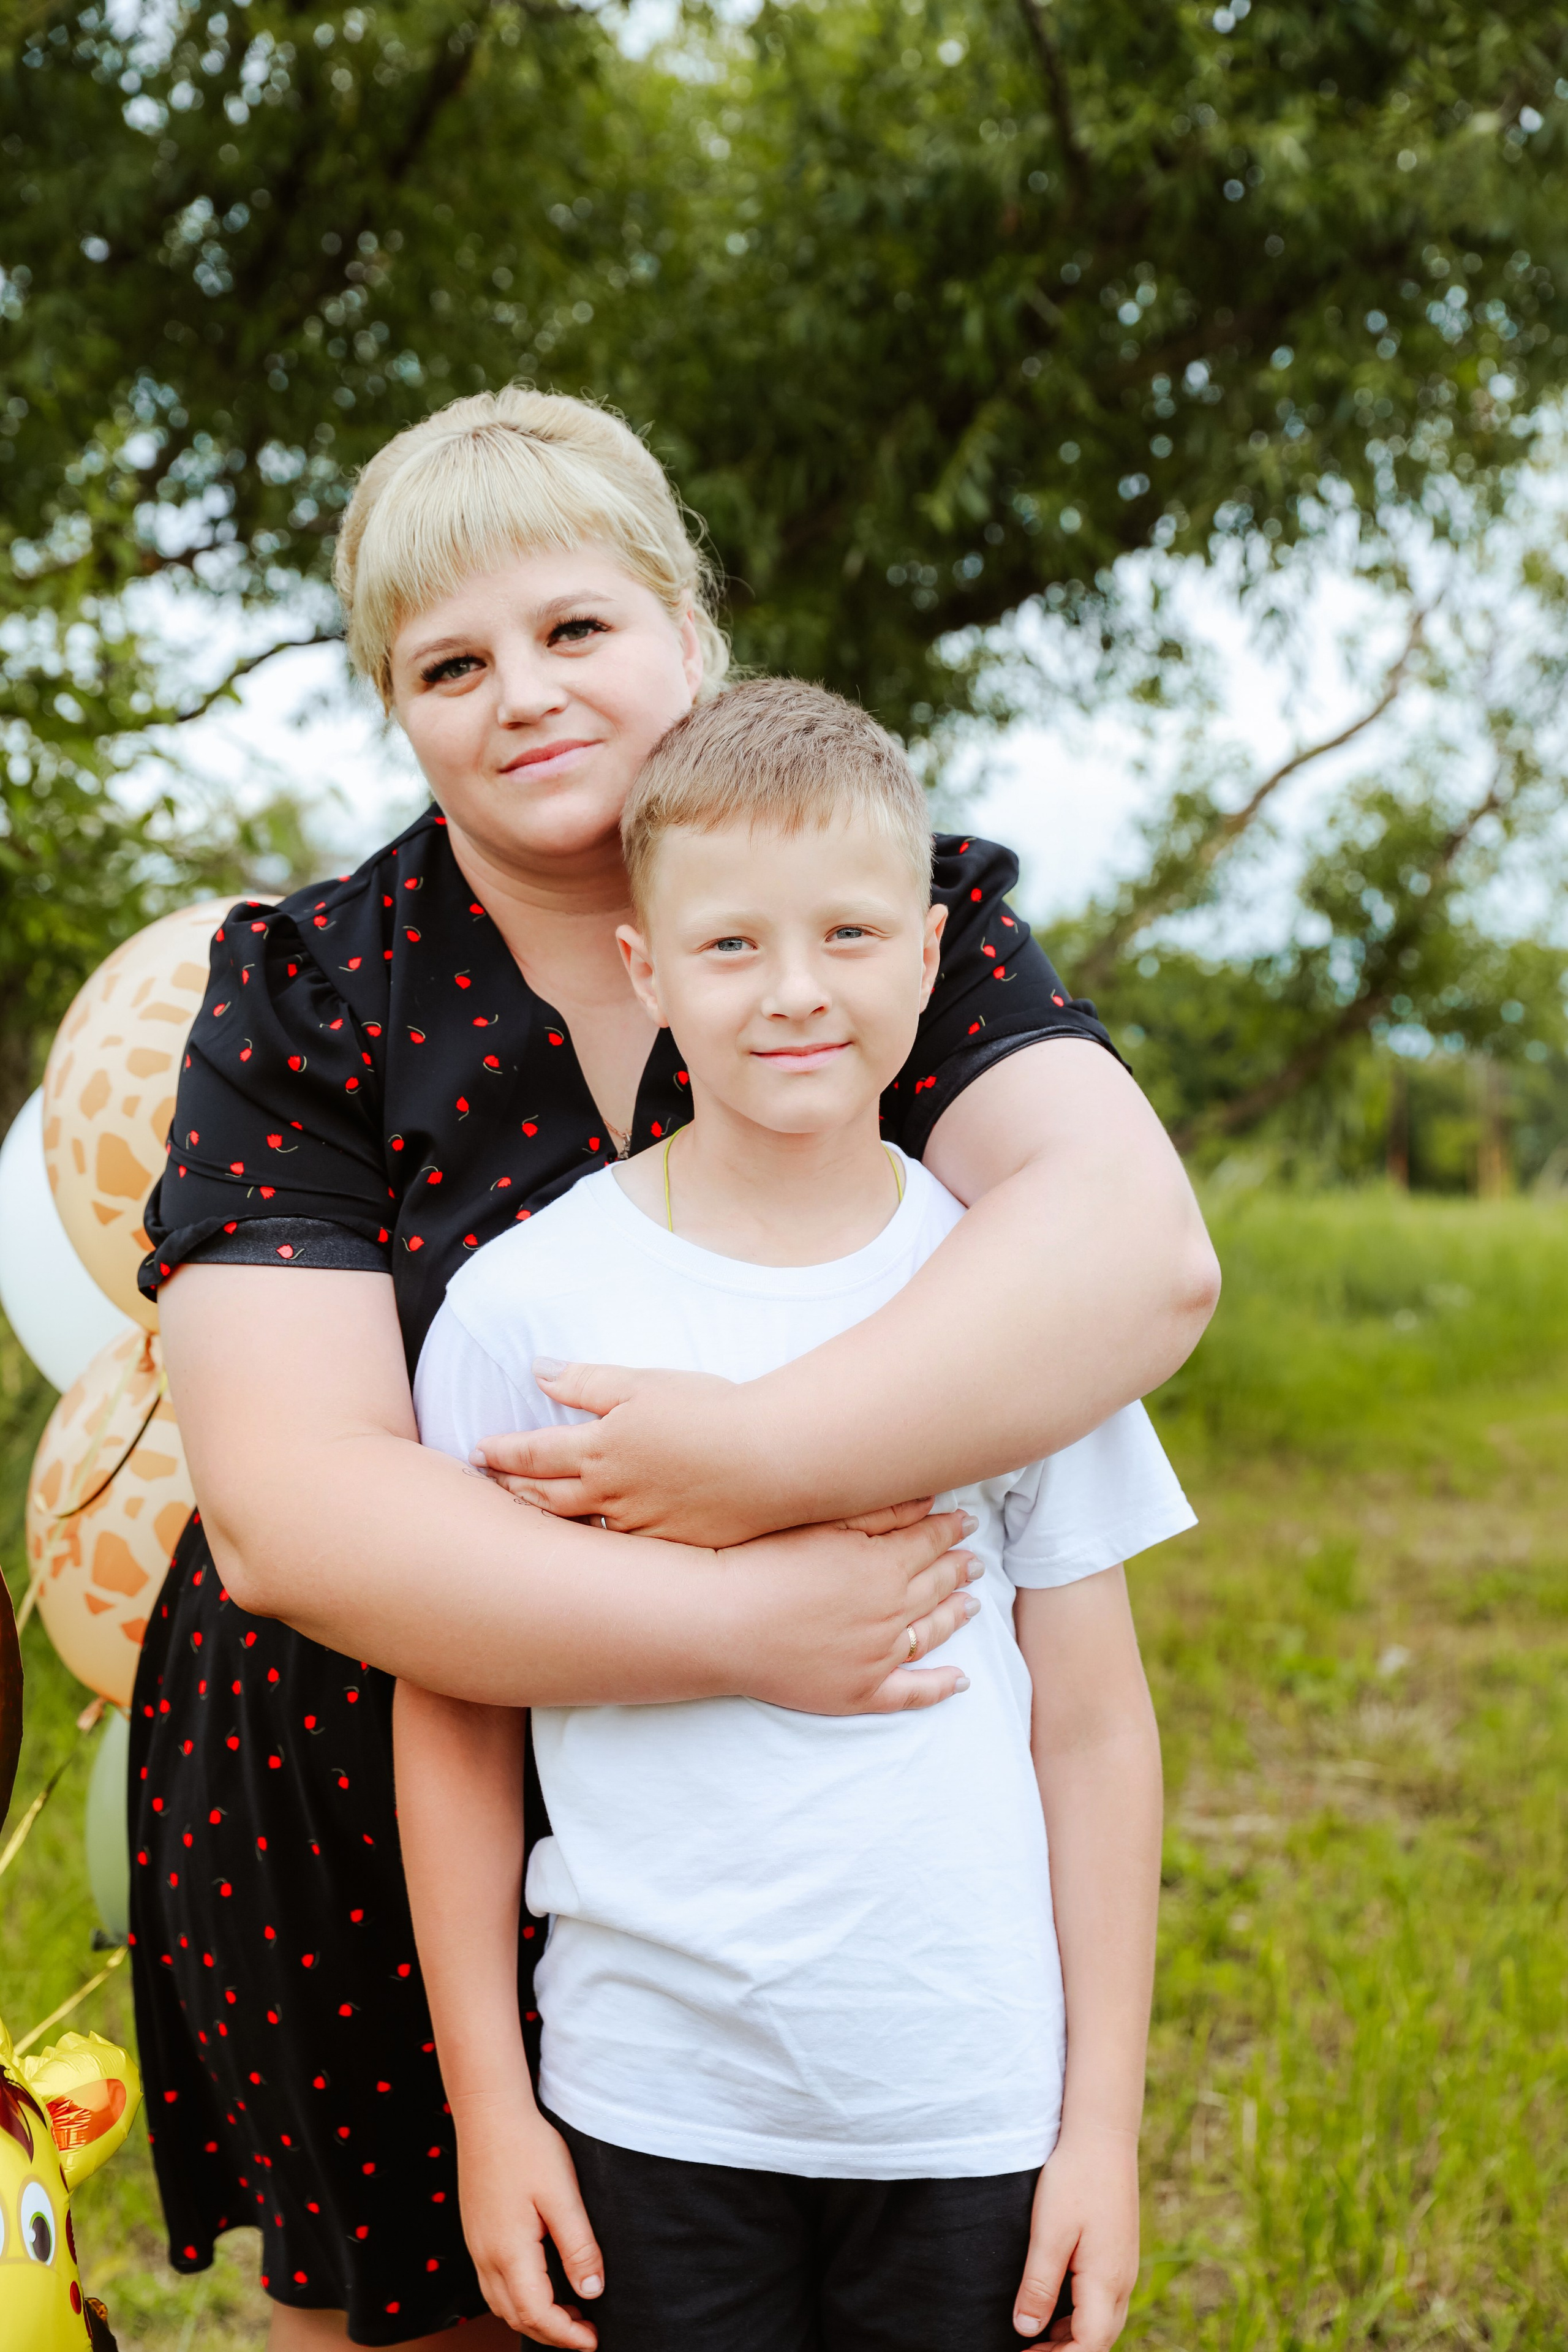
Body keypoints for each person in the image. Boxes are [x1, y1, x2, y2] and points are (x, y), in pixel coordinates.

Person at [137, 386, 1219, 2351]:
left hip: (854, 1868)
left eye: (576, 627)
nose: (525, 695)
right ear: (396, 708)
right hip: (385, 1761)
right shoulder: (306, 990)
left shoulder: (878, 908)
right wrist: (741, 1619)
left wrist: (753, 1460)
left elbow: (1132, 1255)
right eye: (451, 664)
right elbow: (292, 1509)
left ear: (689, 629)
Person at [398, 677, 1194, 2352]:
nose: (796, 991)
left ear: (930, 952)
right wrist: (490, 2113)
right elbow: (457, 1705)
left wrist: (1101, 2131)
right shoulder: (527, 1308)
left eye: (848, 933)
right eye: (732, 945)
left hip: (966, 2099)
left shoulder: (1015, 1303)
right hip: (643, 2100)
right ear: (647, 971)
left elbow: (1094, 1726)